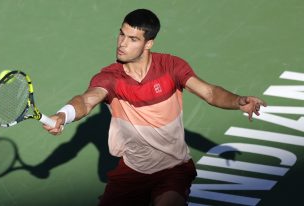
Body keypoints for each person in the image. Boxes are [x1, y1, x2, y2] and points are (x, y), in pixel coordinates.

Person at [43, 8, 266, 206]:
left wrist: (238, 101)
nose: (122, 43)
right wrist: (64, 114)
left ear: (148, 43)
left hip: (173, 168)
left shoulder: (171, 67)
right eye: (122, 34)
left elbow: (209, 92)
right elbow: (86, 100)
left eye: (132, 39)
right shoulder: (110, 77)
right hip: (132, 170)